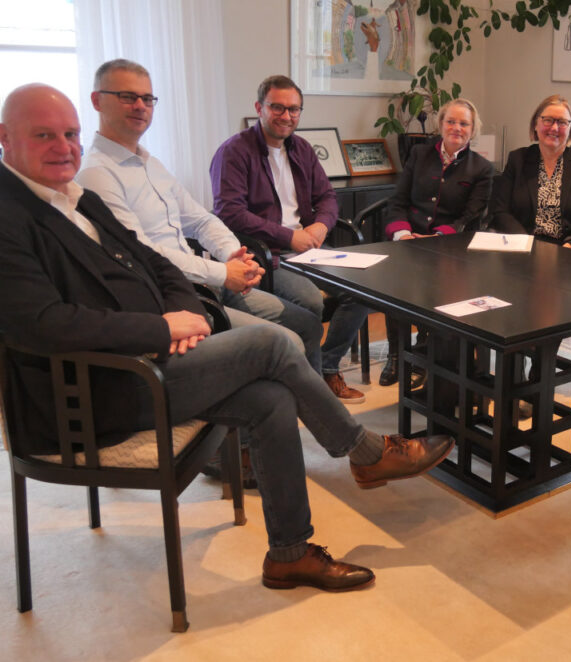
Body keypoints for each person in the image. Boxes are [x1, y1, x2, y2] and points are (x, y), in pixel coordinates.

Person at [0, 83, 454, 593]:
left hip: (152, 354)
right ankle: (364, 451)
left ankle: (289, 552)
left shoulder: (76, 197)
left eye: (70, 134)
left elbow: (153, 259)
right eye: (44, 135)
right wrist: (160, 328)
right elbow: (41, 323)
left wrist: (187, 314)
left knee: (271, 397)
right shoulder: (11, 215)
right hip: (91, 391)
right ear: (4, 138)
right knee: (271, 341)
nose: (64, 147)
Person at [76, 59, 322, 371]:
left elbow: (200, 219)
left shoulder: (151, 163)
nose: (140, 106)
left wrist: (235, 256)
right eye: (127, 96)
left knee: (307, 324)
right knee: (289, 342)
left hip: (211, 282)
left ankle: (307, 400)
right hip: (178, 298)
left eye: (147, 98)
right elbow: (142, 253)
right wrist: (222, 272)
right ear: (97, 100)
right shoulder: (97, 174)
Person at [210, 74, 367, 404]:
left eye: (294, 109)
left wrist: (322, 226)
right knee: (310, 301)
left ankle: (326, 368)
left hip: (308, 246)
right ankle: (307, 391)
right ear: (259, 108)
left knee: (366, 290)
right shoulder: (234, 152)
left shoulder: (302, 148)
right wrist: (288, 236)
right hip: (267, 253)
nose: (286, 116)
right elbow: (230, 213)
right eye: (277, 107)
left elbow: (327, 197)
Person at [378, 97, 494, 386]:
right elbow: (398, 201)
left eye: (463, 123)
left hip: (450, 249)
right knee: (396, 287)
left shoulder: (481, 168)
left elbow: (470, 217)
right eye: (451, 121)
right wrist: (402, 234)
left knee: (444, 293)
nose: (456, 127)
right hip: (408, 241)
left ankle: (430, 356)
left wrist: (437, 237)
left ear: (473, 129)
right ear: (440, 124)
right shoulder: (419, 154)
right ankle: (397, 354)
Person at [489, 94, 571, 250]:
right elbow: (500, 210)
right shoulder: (517, 159)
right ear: (536, 124)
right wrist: (523, 241)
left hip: (568, 250)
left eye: (562, 122)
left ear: (570, 129)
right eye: (548, 120)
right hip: (523, 247)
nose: (554, 128)